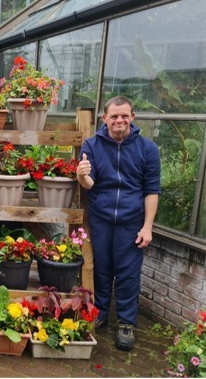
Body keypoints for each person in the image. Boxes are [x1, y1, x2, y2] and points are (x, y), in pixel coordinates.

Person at [76, 95, 161, 351]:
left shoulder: (148, 149)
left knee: (127, 273)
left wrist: (147, 227)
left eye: (124, 115)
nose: (119, 120)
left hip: (131, 221)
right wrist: (82, 177)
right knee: (101, 267)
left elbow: (152, 190)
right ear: (105, 119)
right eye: (114, 116)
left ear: (133, 117)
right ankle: (100, 312)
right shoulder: (92, 145)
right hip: (101, 218)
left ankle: (126, 322)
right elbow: (90, 184)